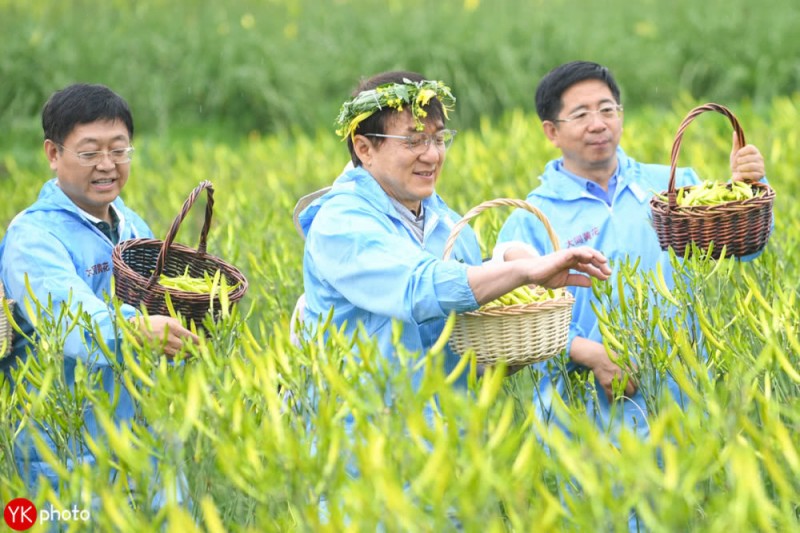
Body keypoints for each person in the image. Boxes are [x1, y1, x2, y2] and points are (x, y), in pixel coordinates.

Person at [296, 70, 612, 399]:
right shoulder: (340, 223)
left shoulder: (450, 225)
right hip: (366, 431)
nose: (432, 155)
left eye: (438, 138)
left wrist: (509, 265)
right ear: (364, 149)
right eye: (414, 141)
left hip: (449, 430)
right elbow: (417, 286)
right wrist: (521, 272)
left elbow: (462, 340)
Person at [495, 60, 767, 439]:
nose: (598, 123)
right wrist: (586, 352)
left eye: (608, 110)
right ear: (551, 131)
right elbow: (513, 322)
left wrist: (748, 186)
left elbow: (743, 249)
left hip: (683, 399)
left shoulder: (674, 188)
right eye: (581, 114)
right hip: (584, 417)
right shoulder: (532, 219)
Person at [0, 83, 200, 497]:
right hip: (64, 445)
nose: (107, 164)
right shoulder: (33, 237)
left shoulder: (129, 223)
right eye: (90, 152)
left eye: (119, 149)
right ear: (53, 154)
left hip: (139, 439)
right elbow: (68, 317)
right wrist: (137, 329)